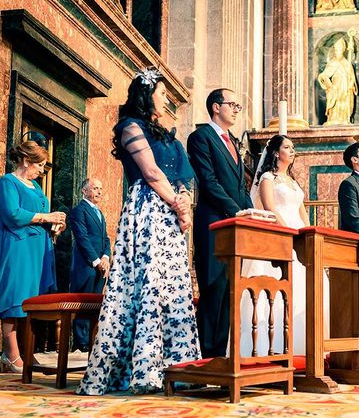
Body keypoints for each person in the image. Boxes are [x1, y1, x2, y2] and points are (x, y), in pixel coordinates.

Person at [78, 68, 200, 395]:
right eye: (162, 94)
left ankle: (176, 368)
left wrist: (185, 200)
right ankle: (143, 371)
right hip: (148, 209)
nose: (166, 101)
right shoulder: (130, 127)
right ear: (146, 96)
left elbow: (184, 177)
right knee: (145, 283)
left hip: (172, 213)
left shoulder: (168, 135)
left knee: (170, 287)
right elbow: (150, 171)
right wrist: (177, 202)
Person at [0, 140, 66, 372]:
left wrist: (55, 225)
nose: (41, 170)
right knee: (15, 298)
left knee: (31, 299)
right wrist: (46, 218)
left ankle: (27, 351)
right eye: (40, 165)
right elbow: (13, 214)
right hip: (18, 248)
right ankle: (11, 354)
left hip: (38, 248)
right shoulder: (6, 182)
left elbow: (41, 216)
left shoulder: (36, 188)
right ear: (26, 161)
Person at [187, 88, 253, 358]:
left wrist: (254, 212)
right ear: (216, 107)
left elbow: (240, 186)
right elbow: (209, 181)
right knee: (213, 288)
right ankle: (206, 357)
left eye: (238, 105)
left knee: (229, 291)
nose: (237, 109)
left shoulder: (233, 141)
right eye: (232, 104)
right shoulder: (200, 137)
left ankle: (222, 355)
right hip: (213, 223)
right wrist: (236, 210)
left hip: (235, 226)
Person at [240, 135, 313, 357]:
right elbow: (270, 208)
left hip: (299, 236)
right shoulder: (267, 178)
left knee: (304, 290)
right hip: (279, 235)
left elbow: (303, 212)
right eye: (287, 147)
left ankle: (305, 347)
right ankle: (269, 347)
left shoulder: (293, 182)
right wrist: (289, 233)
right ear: (275, 153)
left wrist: (308, 236)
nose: (292, 151)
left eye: (293, 147)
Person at [68, 178, 111, 352]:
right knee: (83, 304)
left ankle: (92, 340)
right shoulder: (79, 211)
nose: (99, 192)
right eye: (95, 188)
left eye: (101, 188)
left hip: (101, 266)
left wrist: (106, 257)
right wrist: (96, 261)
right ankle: (81, 343)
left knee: (95, 305)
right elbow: (82, 238)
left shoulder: (99, 213)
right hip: (86, 265)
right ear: (84, 191)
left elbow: (106, 238)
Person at [317, 36, 358, 125]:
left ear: (343, 50)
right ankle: (332, 118)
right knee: (335, 105)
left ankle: (344, 119)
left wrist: (351, 85)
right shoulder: (332, 62)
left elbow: (352, 78)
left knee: (344, 104)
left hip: (345, 88)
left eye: (339, 49)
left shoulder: (347, 64)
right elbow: (324, 75)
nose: (337, 51)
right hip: (335, 88)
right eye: (336, 49)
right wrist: (328, 84)